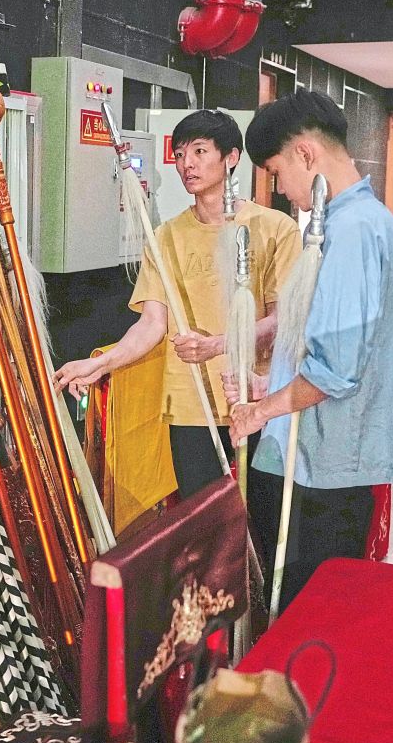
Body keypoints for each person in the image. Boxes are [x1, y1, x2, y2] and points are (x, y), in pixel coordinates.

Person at [227, 90, 393, 610]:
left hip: (325, 468)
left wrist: (261, 410)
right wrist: (266, 386)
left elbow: (334, 370)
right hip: (317, 457)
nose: (280, 189)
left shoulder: (355, 230)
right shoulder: (345, 224)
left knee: (308, 610)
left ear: (305, 155)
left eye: (275, 172)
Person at [54, 109, 300, 499]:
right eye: (180, 153)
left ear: (231, 158)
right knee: (203, 524)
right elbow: (151, 325)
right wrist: (98, 364)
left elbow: (285, 321)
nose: (187, 164)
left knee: (264, 522)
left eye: (200, 151)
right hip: (191, 405)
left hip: (259, 395)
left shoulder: (273, 229)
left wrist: (218, 345)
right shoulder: (166, 237)